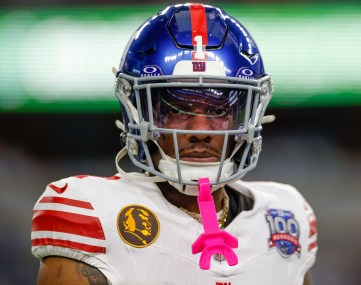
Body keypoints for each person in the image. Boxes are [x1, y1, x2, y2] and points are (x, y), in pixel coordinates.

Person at [31, 3, 318, 284]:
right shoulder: (91, 212)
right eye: (178, 110)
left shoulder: (287, 216)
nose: (201, 130)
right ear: (139, 113)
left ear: (246, 118)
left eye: (218, 110)